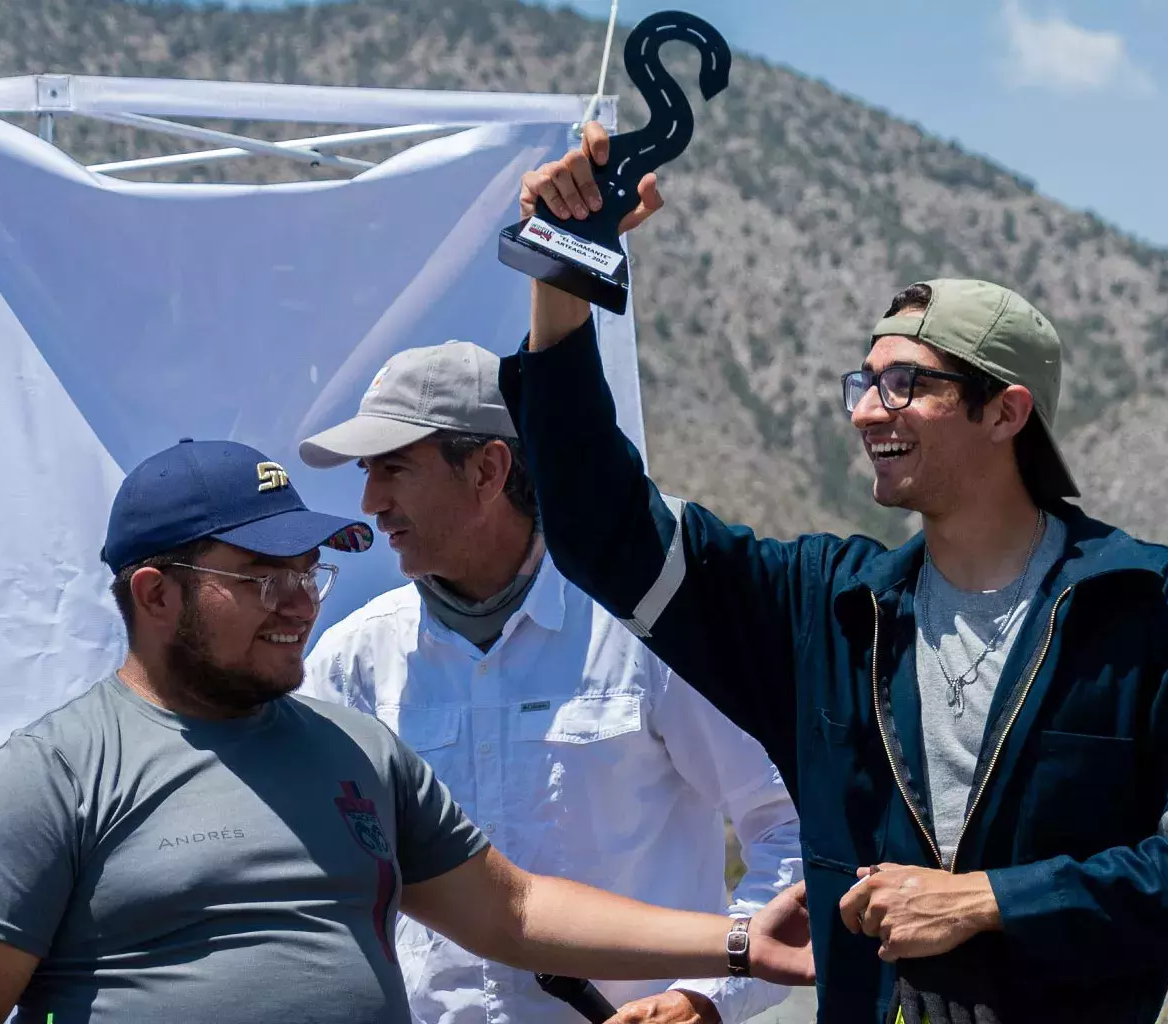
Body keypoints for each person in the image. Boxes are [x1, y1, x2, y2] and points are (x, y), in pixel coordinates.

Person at [501, 124, 1168, 1023]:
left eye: (905, 383)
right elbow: (601, 529)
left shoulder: (1144, 603)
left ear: (1004, 411)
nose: (868, 411)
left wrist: (993, 898)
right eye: (862, 383)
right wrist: (564, 269)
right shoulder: (826, 609)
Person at [0, 439, 814, 1023]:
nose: (300, 601)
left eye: (309, 572)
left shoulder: (355, 749)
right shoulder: (48, 777)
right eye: (264, 576)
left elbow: (515, 912)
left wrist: (735, 945)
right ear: (155, 592)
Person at [298, 340, 803, 1024]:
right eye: (368, 471)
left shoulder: (645, 628)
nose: (370, 502)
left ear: (488, 467)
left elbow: (793, 830)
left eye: (394, 468)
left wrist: (700, 1002)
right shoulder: (350, 661)